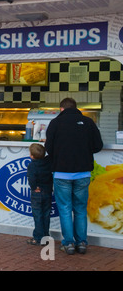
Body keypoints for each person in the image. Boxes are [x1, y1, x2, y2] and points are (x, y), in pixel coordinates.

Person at [45, 98, 103, 255]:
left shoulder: (55, 123)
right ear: (76, 108)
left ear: (61, 109)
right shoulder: (88, 122)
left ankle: (68, 244)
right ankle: (82, 243)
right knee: (80, 209)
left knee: (65, 209)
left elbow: (48, 148)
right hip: (83, 173)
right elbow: (98, 146)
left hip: (61, 173)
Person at [26, 143, 53, 246]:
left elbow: (31, 178)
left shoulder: (32, 165)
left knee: (37, 215)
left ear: (31, 156)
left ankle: (38, 238)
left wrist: (34, 187)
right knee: (46, 214)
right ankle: (46, 236)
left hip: (37, 193)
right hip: (47, 191)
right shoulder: (48, 162)